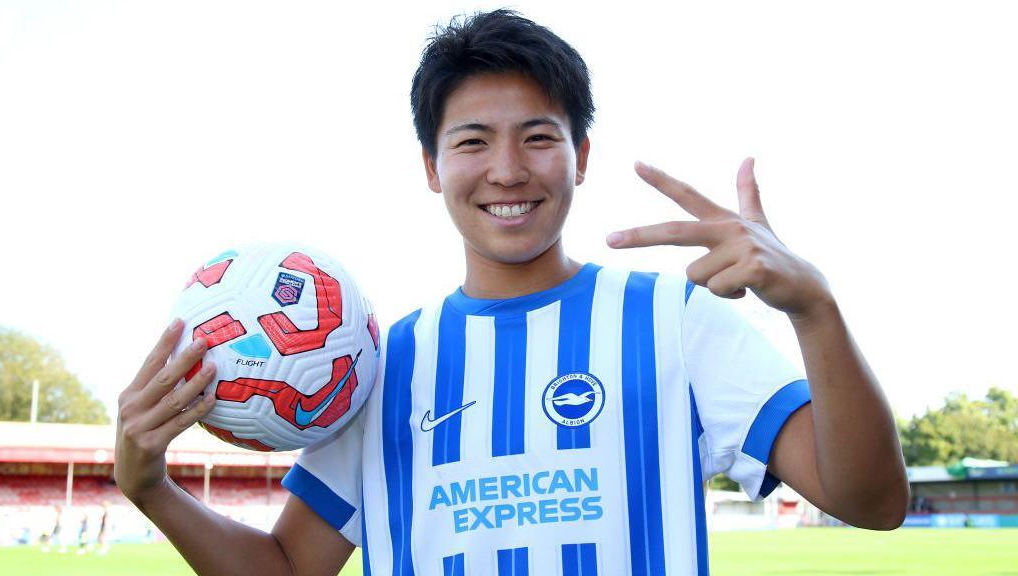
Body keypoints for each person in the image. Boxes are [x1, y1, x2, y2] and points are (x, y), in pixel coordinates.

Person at [114, 9, 908, 575]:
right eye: (472, 141)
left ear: (581, 155)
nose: (507, 170)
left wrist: (816, 311)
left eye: (537, 136)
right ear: (431, 167)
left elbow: (870, 501)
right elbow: (289, 567)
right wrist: (150, 487)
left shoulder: (673, 319)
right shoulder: (381, 364)